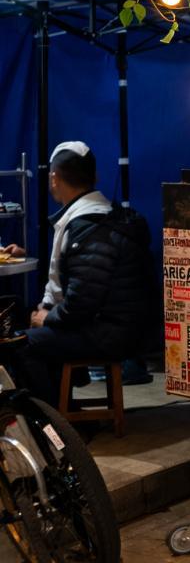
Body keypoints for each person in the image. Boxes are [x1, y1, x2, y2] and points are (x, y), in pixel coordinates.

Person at [1, 142, 151, 406]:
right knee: (16, 316)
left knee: (20, 344)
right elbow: (80, 271)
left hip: (111, 333)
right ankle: (64, 406)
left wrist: (47, 318)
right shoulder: (99, 215)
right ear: (95, 177)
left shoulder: (90, 226)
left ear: (55, 178)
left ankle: (52, 424)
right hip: (115, 325)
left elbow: (82, 301)